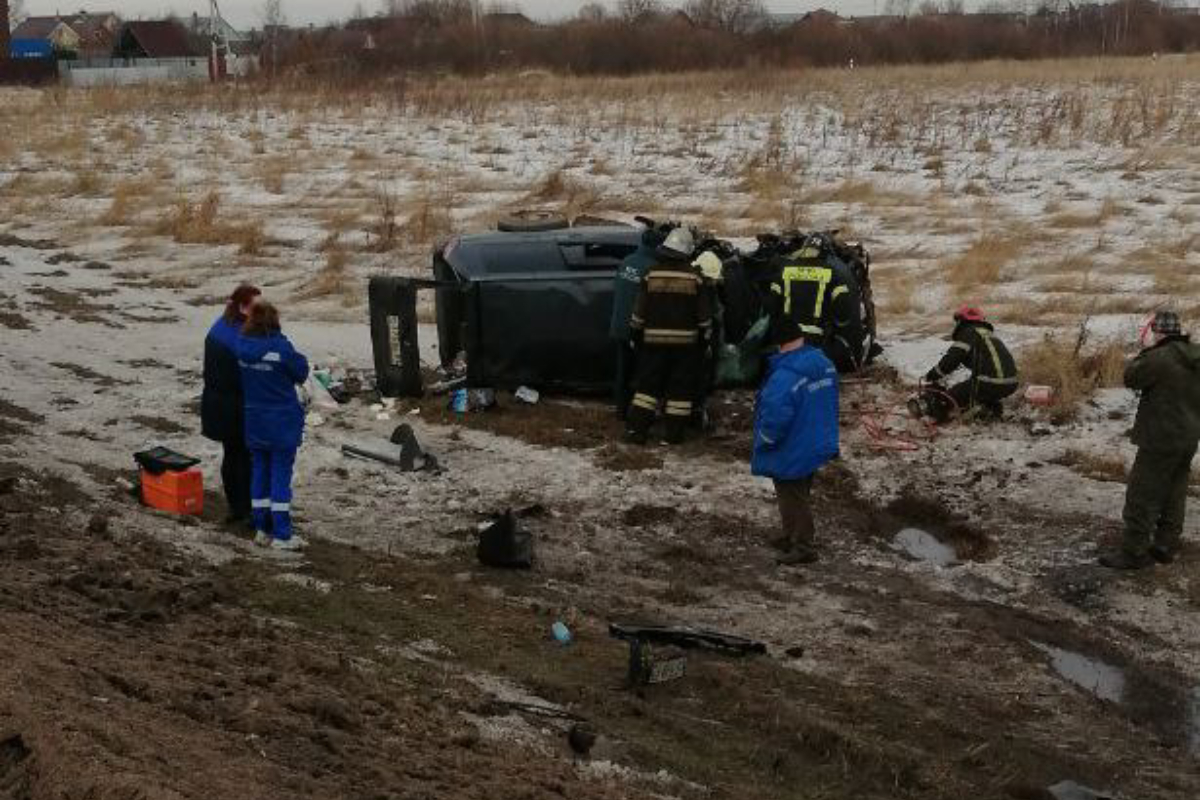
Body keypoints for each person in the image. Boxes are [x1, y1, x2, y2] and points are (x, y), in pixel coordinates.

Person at [1100, 311, 1200, 570]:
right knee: (1175, 490)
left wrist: (1145, 351)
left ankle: (1134, 552)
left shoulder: (1158, 358)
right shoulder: (1195, 353)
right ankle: (1166, 544)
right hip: (1188, 436)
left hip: (1160, 437)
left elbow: (1131, 378)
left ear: (1157, 332)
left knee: (1142, 493)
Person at [752, 327, 840, 565]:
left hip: (793, 444)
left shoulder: (785, 375)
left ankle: (803, 545)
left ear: (780, 344)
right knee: (800, 489)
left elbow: (775, 415)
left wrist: (766, 440)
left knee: (791, 493)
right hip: (816, 438)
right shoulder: (823, 363)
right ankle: (791, 535)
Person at [626, 226, 714, 445]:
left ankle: (637, 431)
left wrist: (635, 333)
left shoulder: (651, 274)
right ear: (688, 251)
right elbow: (704, 317)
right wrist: (706, 338)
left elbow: (639, 312)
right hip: (686, 346)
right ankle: (674, 434)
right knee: (679, 390)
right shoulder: (696, 278)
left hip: (652, 343)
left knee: (647, 388)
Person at [237, 302, 310, 551]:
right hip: (281, 421)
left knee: (259, 471)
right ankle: (281, 534)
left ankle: (262, 528)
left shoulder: (242, 348)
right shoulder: (280, 348)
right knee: (280, 474)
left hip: (254, 418)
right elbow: (301, 370)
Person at [201, 283, 261, 527]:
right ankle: (245, 510)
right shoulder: (237, 337)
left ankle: (236, 507)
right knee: (243, 457)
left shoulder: (221, 326)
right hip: (233, 406)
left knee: (232, 455)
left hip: (217, 403)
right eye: (257, 306)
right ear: (243, 307)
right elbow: (247, 375)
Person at [911, 306, 1019, 423]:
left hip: (988, 382)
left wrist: (932, 375)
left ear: (961, 321)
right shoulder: (988, 335)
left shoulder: (968, 333)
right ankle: (989, 412)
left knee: (949, 398)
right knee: (980, 393)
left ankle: (937, 421)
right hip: (1011, 383)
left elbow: (951, 360)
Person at [766, 239, 859, 371]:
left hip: (787, 340)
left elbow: (771, 304)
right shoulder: (831, 273)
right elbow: (843, 308)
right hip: (816, 341)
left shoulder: (785, 270)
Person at [609, 221, 669, 417]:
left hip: (619, 325)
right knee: (644, 373)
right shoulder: (653, 268)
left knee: (623, 371)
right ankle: (640, 414)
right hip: (639, 328)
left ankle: (621, 410)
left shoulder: (627, 261)